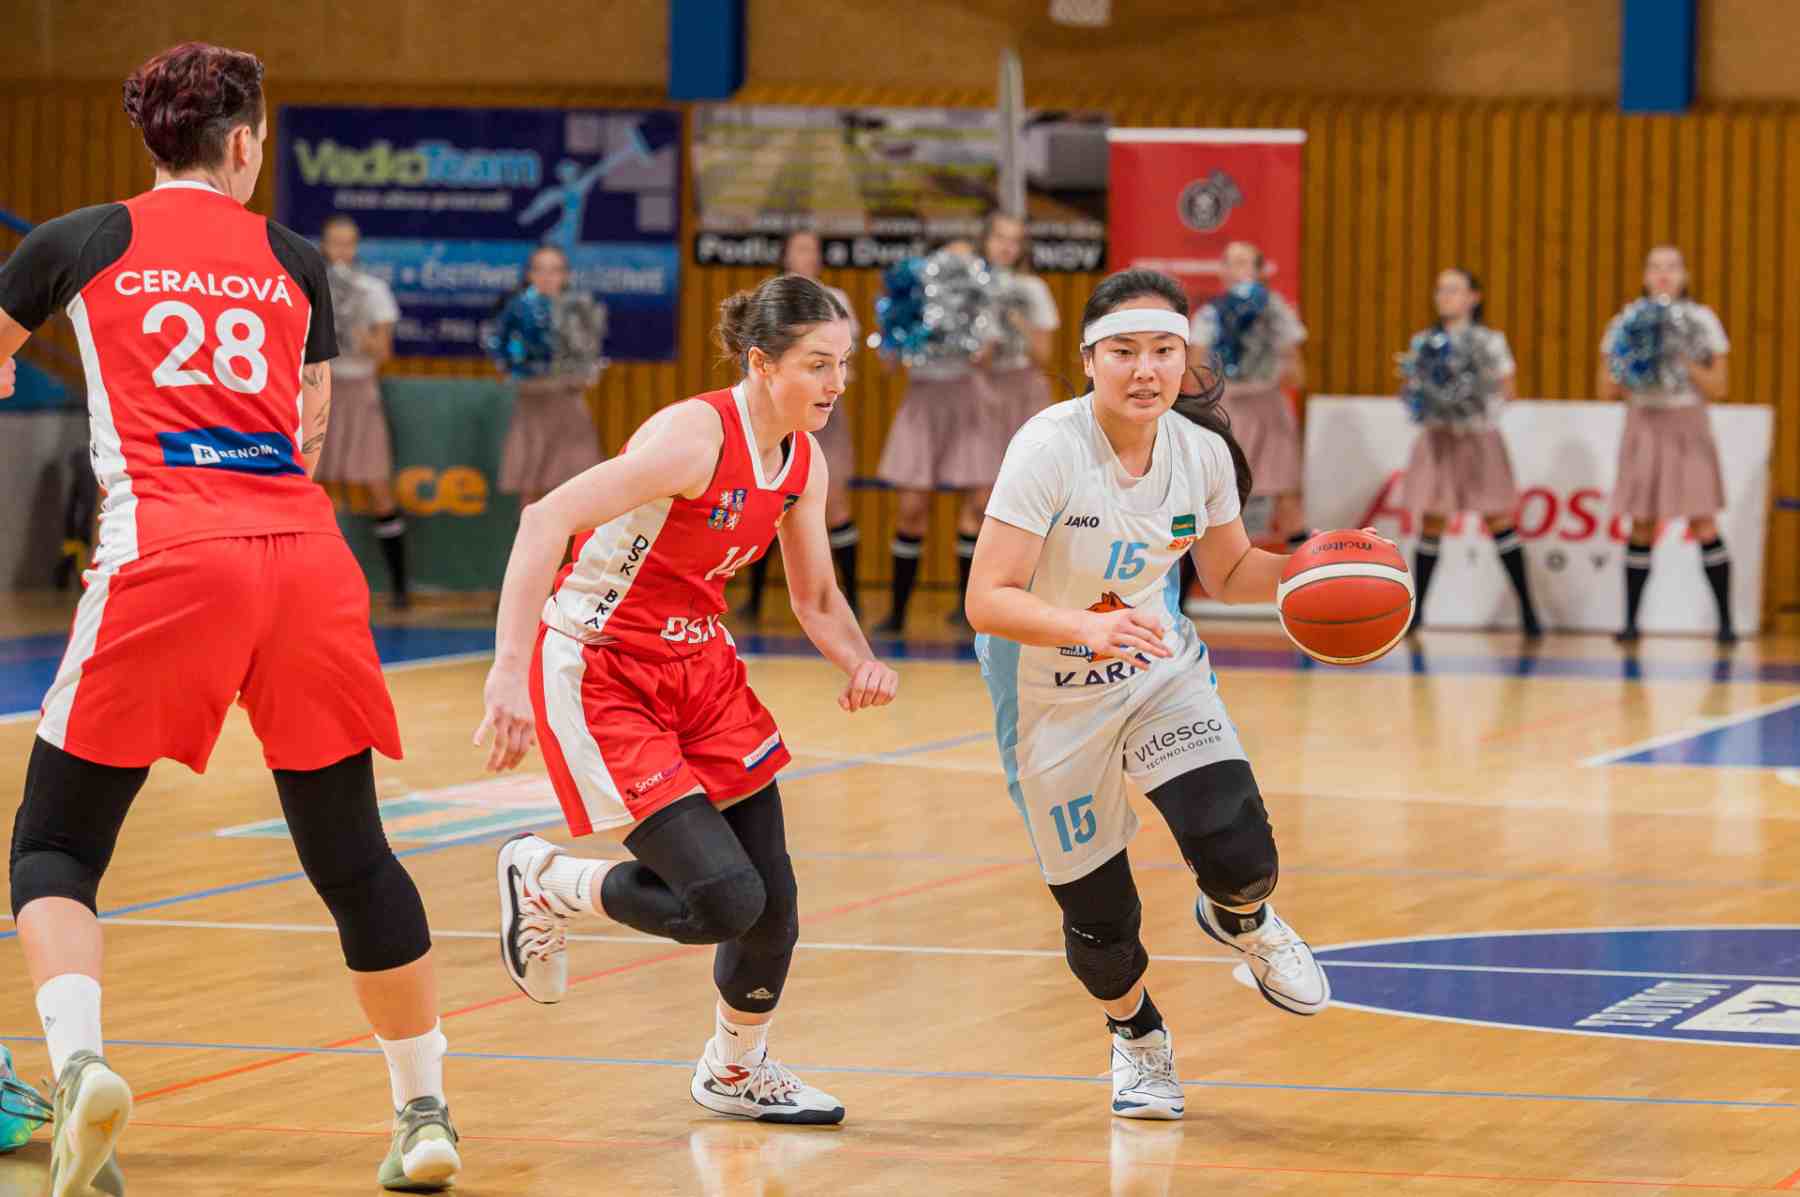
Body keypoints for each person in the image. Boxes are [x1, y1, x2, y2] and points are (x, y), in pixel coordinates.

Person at [0, 43, 460, 1193]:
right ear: (245, 141)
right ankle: (423, 1113)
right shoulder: (296, 260)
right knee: (352, 856)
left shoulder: (77, 241)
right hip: (305, 558)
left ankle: (81, 1069)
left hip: (169, 550)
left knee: (57, 846)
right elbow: (307, 428)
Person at [476, 274, 899, 1126]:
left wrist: (859, 660)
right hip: (605, 670)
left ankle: (735, 1072)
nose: (837, 383)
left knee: (774, 909)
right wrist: (506, 672)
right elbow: (543, 520)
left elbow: (816, 597)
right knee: (723, 901)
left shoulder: (803, 461)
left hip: (702, 670)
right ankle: (549, 880)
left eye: (844, 364)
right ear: (761, 363)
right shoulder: (693, 438)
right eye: (818, 364)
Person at [966, 268, 1331, 1123]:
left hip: (1156, 669)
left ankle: (1241, 918)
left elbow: (1230, 571)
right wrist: (1082, 627)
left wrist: (1323, 567)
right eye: (1125, 351)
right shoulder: (1048, 448)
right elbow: (986, 598)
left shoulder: (1199, 452)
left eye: (1164, 350)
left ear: (1183, 356)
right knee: (1102, 924)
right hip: (1048, 692)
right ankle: (1137, 1037)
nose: (1146, 369)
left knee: (1242, 852)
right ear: (1089, 359)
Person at [1600, 246, 1735, 645]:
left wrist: (1680, 353)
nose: (1663, 274)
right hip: (1643, 421)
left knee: (1703, 520)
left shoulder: (1702, 321)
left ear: (1685, 275)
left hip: (1687, 422)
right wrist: (1638, 359)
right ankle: (1630, 623)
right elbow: (1606, 388)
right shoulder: (1625, 322)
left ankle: (1726, 624)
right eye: (1655, 267)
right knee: (1641, 523)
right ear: (1644, 276)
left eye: (1672, 267)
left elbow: (1719, 387)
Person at [1397, 268, 1541, 637]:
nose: (1445, 296)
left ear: (1474, 297)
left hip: (1478, 436)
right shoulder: (1424, 342)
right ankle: (1416, 615)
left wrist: (1472, 398)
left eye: (1454, 289)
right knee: (1432, 521)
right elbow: (1412, 393)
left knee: (1498, 519)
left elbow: (1509, 390)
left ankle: (1529, 612)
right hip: (1439, 439)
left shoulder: (1491, 342)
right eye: (1441, 289)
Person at [875, 238, 999, 633]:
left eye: (967, 260)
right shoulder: (911, 297)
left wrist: (973, 324)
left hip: (967, 396)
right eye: (950, 260)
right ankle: (897, 612)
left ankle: (969, 610)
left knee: (979, 505)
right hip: (922, 399)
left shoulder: (983, 297)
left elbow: (988, 357)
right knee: (911, 508)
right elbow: (886, 367)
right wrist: (899, 327)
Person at [737, 231, 863, 619]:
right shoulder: (771, 302)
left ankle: (851, 599)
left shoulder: (835, 301)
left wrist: (828, 373)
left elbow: (848, 357)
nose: (808, 255)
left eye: (814, 249)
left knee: (835, 504)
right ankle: (754, 600)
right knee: (767, 498)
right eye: (800, 248)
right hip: (776, 413)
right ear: (785, 255)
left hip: (823, 415)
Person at [315, 213, 410, 607]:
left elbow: (383, 352)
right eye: (334, 242)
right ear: (324, 246)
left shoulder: (373, 290)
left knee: (377, 486)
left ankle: (400, 588)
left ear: (356, 247)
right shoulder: (312, 286)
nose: (341, 250)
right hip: (320, 389)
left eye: (348, 243)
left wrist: (356, 330)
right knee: (313, 486)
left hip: (361, 388)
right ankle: (316, 585)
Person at [1189, 241, 1309, 548]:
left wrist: (1270, 357)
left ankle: (1301, 571)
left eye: (1242, 262)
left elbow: (1297, 373)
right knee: (1220, 494)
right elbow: (1194, 372)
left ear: (1259, 271)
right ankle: (1217, 568)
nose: (1234, 269)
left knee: (1286, 494)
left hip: (1269, 407)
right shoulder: (1210, 314)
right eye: (1228, 262)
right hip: (1227, 408)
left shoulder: (1277, 311)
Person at [489, 244, 607, 507]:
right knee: (531, 479)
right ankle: (530, 533)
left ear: (565, 275)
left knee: (575, 479)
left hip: (567, 399)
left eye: (554, 270)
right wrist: (514, 367)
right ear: (529, 274)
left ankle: (574, 535)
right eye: (540, 270)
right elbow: (497, 341)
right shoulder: (518, 307)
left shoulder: (579, 307)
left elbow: (590, 348)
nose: (547, 277)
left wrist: (582, 371)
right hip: (531, 399)